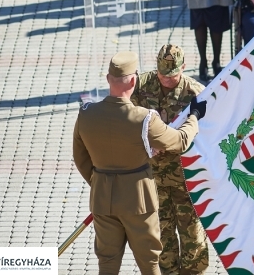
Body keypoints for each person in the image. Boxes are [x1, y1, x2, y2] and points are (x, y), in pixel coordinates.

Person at [72, 51, 207, 275]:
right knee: (150, 262)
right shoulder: (145, 118)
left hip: (102, 199)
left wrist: (100, 183)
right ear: (134, 80)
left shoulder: (86, 113)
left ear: (108, 79)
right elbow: (180, 141)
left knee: (107, 262)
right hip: (139, 201)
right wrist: (193, 116)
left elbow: (80, 158)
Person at [131, 45, 209, 275]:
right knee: (160, 234)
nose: (166, 79)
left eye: (172, 75)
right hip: (152, 178)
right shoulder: (142, 86)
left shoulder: (197, 93)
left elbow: (210, 134)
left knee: (192, 235)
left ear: (183, 68)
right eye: (162, 74)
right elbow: (127, 118)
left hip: (186, 178)